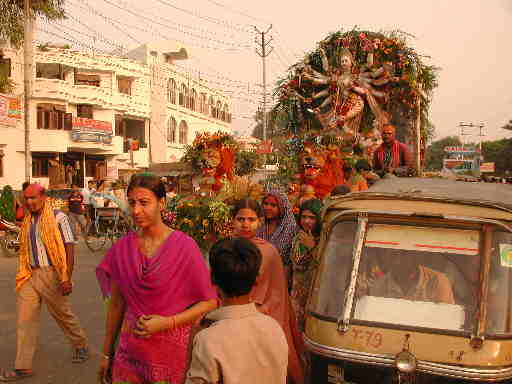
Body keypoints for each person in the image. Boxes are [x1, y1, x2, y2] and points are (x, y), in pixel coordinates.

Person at [96, 173, 217, 384]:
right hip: (129, 354)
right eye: (132, 203)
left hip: (170, 357)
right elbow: (116, 305)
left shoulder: (184, 247)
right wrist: (107, 354)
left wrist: (167, 322)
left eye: (144, 203)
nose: (136, 210)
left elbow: (209, 302)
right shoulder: (122, 248)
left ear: (162, 203)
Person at [0, 184, 88, 382]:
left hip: (52, 274)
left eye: (33, 198)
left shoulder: (59, 217)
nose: (29, 202)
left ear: (44, 197)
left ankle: (80, 345)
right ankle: (23, 367)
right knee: (25, 320)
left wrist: (66, 277)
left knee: (63, 314)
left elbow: (69, 248)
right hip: (29, 274)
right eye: (27, 199)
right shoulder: (28, 219)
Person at [185, 238, 288, 384]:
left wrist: (192, 346)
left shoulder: (208, 340)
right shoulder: (274, 329)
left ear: (212, 279)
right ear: (256, 279)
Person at [232, 199, 304, 384]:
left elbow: (278, 295)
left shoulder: (269, 252)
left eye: (251, 219)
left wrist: (255, 314)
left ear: (260, 221)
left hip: (262, 318)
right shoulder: (224, 248)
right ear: (232, 220)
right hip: (229, 318)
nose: (245, 224)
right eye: (240, 219)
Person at [358, 248, 455, 304]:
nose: (398, 260)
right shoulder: (377, 287)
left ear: (415, 255)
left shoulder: (438, 281)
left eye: (405, 254)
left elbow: (443, 322)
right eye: (394, 254)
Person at [291, 199, 323, 332]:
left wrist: (312, 247)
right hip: (298, 294)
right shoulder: (298, 237)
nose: (307, 221)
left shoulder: (325, 238)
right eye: (304, 217)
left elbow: (325, 265)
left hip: (316, 293)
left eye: (312, 218)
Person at [257, 191, 298, 271]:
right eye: (265, 204)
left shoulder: (291, 229)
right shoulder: (259, 224)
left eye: (273, 205)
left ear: (282, 208)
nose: (268, 208)